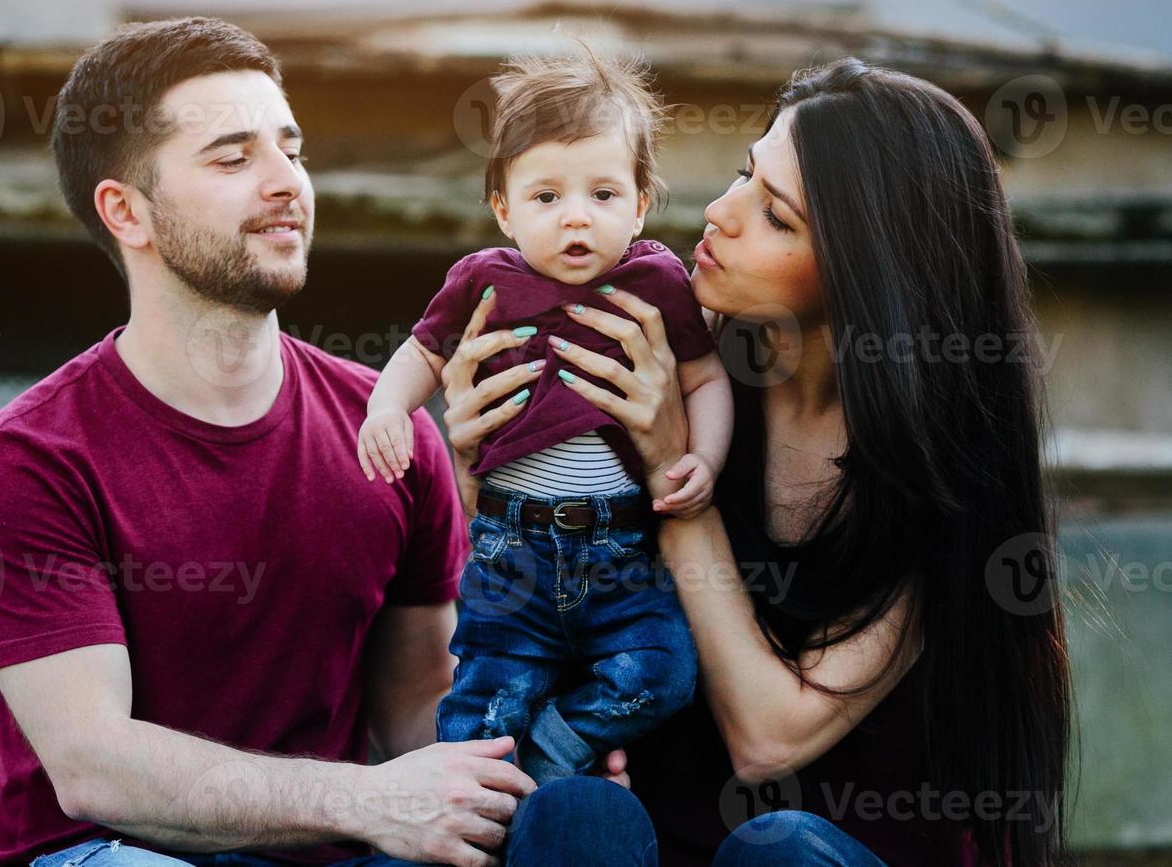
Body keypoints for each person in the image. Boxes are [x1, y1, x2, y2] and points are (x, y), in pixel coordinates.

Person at [0, 17, 654, 867]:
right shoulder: (32, 457)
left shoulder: (389, 436)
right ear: (127, 212)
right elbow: (94, 766)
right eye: (233, 157)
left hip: (335, 853)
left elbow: (416, 717)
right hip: (103, 853)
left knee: (580, 821)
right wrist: (364, 800)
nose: (287, 181)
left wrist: (549, 742)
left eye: (292, 149)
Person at [438, 58, 1074, 866]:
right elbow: (536, 590)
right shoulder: (682, 364)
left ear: (868, 272)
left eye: (774, 214)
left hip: (828, 854)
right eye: (745, 172)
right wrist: (482, 461)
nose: (717, 212)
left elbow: (768, 740)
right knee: (575, 815)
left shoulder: (942, 476)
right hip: (658, 843)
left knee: (776, 850)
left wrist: (677, 479)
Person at [358, 50, 731, 785]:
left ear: (641, 203)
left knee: (661, 674)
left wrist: (706, 461)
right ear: (502, 208)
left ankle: (557, 750)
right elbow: (424, 354)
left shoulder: (655, 281)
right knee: (486, 702)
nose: (576, 220)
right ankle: (482, 805)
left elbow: (706, 376)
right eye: (546, 198)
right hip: (510, 551)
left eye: (602, 194)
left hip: (622, 547)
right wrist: (384, 406)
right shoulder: (483, 280)